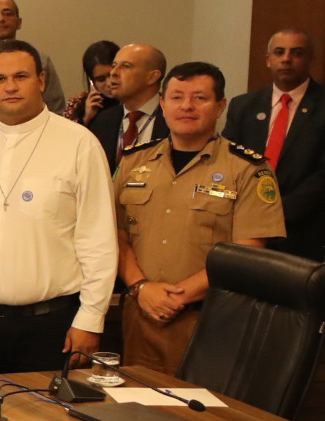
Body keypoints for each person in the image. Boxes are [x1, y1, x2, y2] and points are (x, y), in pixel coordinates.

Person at [0, 41, 117, 375]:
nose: (11, 86)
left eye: (21, 76)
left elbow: (98, 239)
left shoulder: (79, 143)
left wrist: (91, 319)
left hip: (49, 325)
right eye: (0, 79)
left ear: (42, 81)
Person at [116, 63, 284, 372]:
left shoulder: (248, 169)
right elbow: (116, 236)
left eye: (199, 98)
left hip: (211, 319)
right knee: (137, 410)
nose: (187, 106)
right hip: (140, 313)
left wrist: (177, 297)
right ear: (163, 104)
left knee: (203, 411)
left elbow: (248, 252)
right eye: (177, 97)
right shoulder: (133, 162)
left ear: (221, 106)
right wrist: (141, 287)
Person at [224, 28, 322, 259]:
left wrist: (275, 213)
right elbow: (228, 160)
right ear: (268, 60)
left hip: (304, 229)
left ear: (311, 60)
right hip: (244, 227)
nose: (287, 59)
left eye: (296, 52)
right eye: (279, 52)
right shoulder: (243, 105)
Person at [0, 0, 66, 113]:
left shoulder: (39, 60)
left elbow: (56, 107)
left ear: (19, 22)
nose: (0, 19)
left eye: (8, 13)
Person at [86, 43, 168, 171]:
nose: (113, 73)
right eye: (114, 65)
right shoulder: (103, 121)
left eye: (125, 66)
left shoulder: (174, 118)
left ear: (152, 76)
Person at [65, 40, 120, 125]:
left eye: (113, 75)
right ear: (92, 81)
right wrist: (86, 119)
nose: (109, 83)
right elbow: (67, 137)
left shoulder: (135, 100)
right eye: (101, 79)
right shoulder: (76, 104)